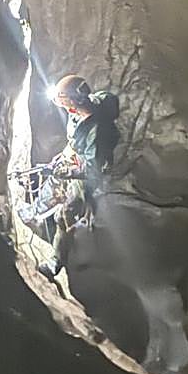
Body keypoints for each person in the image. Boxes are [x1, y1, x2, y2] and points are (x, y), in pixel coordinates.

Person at [36, 74, 120, 279]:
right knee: (52, 191)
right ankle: (43, 219)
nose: (63, 108)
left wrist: (63, 171)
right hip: (79, 157)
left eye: (64, 104)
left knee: (64, 215)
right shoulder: (87, 106)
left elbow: (92, 169)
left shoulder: (96, 131)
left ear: (73, 105)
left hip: (89, 174)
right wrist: (63, 156)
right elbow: (75, 140)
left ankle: (55, 264)